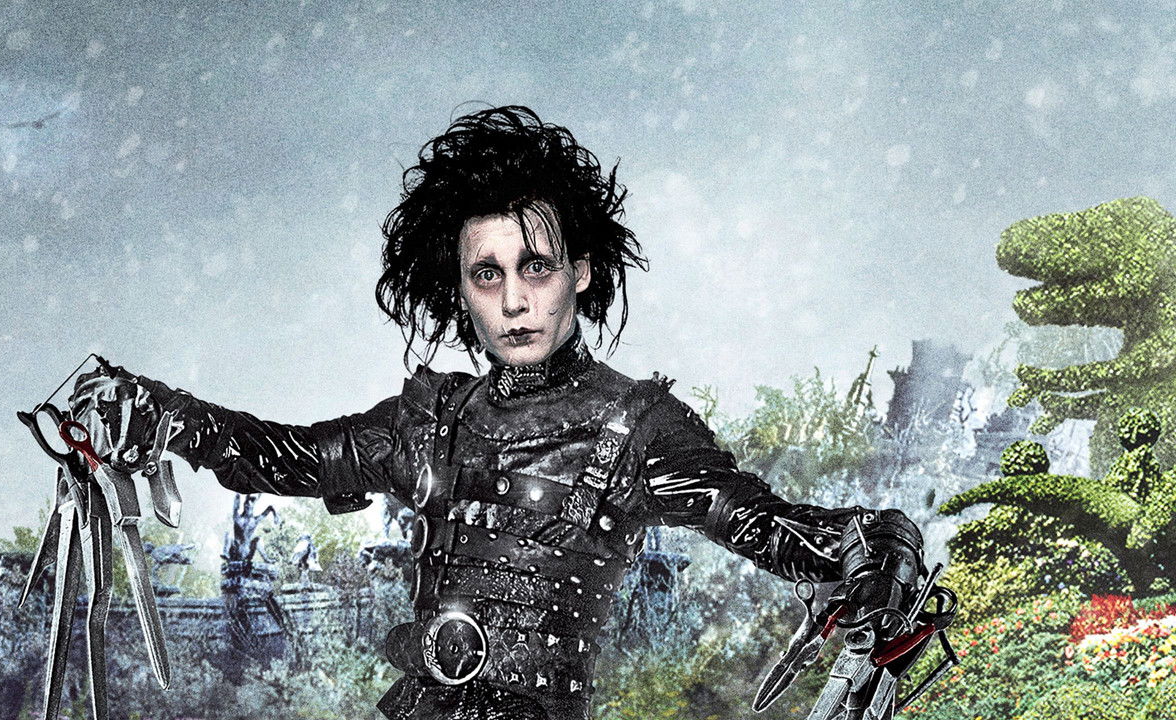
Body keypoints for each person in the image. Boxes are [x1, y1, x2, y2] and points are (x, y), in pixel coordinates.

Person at [71, 106, 926, 720]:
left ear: (580, 271)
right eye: (488, 274)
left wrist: (877, 551)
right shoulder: (429, 421)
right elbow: (287, 457)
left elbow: (766, 524)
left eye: (536, 267)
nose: (515, 301)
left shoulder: (638, 427)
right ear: (461, 289)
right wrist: (161, 413)